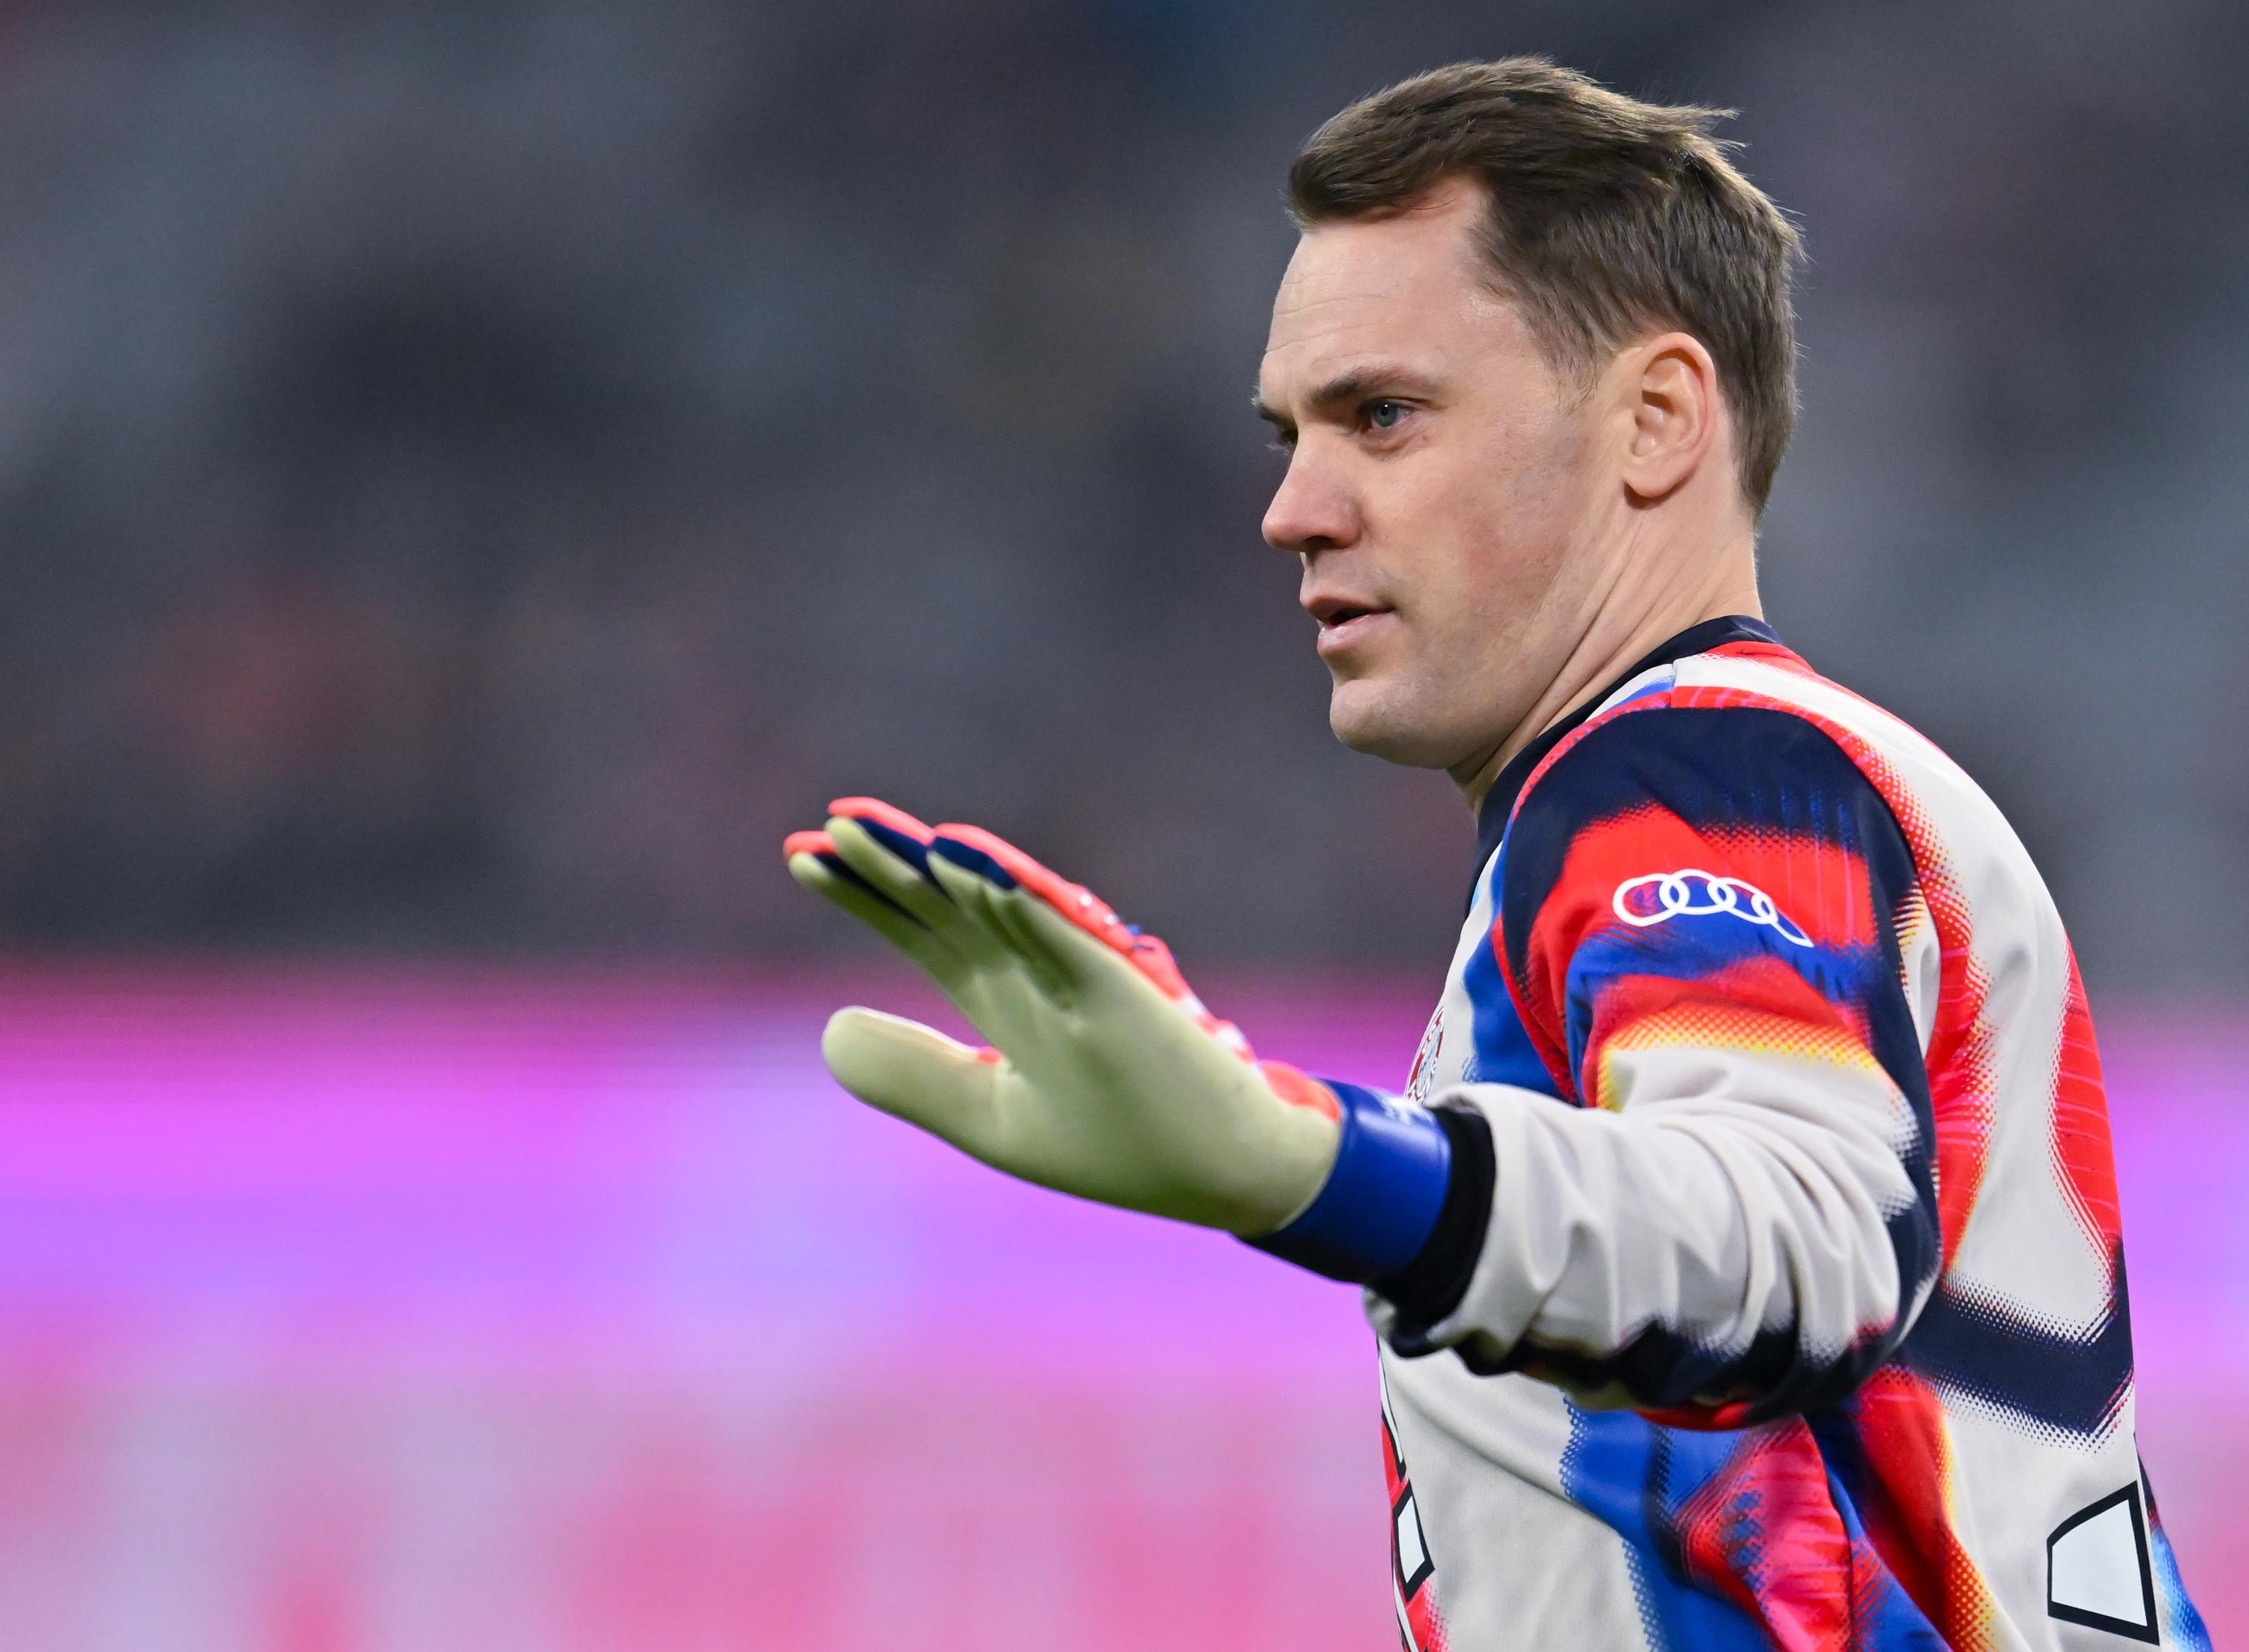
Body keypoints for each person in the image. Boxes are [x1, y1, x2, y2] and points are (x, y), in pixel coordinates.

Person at [783, 58, 2208, 1651]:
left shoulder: (1694, 770)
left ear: (1654, 422)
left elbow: (1792, 1241)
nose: (1293, 509)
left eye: (1383, 417)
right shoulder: (1740, 781)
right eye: (1290, 434)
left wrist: (1304, 1163)